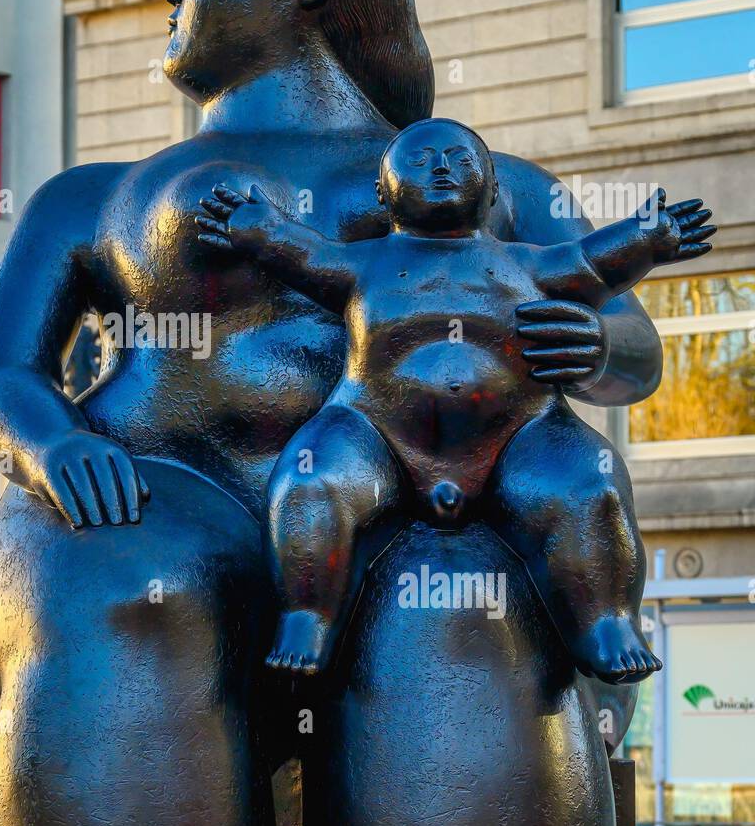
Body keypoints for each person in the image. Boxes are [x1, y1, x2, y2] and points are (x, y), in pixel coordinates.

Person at [0, 0, 664, 826]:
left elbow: (627, 345)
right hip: (163, 479)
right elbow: (1, 370)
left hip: (408, 494)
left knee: (454, 607)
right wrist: (50, 444)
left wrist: (590, 346)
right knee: (123, 588)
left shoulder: (484, 179)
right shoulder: (87, 197)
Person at [195, 118, 713, 681]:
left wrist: (647, 239)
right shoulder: (364, 263)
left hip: (519, 433)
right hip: (376, 432)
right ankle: (308, 615)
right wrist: (255, 227)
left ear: (492, 191)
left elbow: (592, 261)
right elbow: (301, 252)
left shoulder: (528, 263)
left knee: (589, 484)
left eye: (460, 160)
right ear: (382, 192)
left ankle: (605, 619)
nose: (441, 168)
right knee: (311, 480)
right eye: (420, 161)